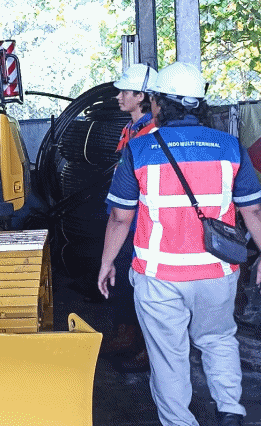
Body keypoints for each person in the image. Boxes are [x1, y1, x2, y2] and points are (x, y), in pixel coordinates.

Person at [98, 62, 261, 426]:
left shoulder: (141, 149)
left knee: (168, 355)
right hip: (217, 272)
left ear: (158, 104)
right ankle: (230, 410)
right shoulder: (230, 147)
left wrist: (106, 263)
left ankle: (181, 422)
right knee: (218, 339)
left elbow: (121, 217)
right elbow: (255, 210)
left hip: (159, 276)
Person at [101, 63, 157, 371]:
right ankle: (126, 334)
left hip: (141, 222)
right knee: (122, 278)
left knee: (142, 285)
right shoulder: (131, 128)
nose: (120, 97)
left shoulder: (152, 131)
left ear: (143, 96)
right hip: (123, 216)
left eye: (126, 92)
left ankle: (148, 348)